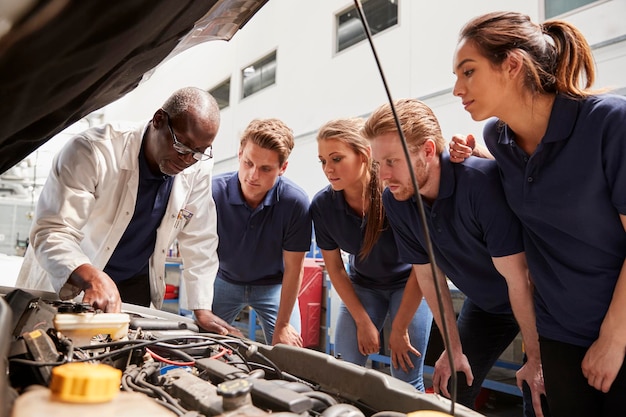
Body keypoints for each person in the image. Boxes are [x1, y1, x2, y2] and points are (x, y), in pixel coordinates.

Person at [449, 11, 626, 417]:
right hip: (558, 332)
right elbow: (532, 184)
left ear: (512, 65)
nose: (457, 87)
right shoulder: (498, 139)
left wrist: (614, 340)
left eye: (469, 71)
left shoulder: (609, 122)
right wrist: (473, 156)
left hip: (619, 329)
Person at [362, 98, 546, 416]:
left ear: (429, 151)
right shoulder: (396, 200)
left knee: (540, 391)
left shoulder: (479, 181)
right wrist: (454, 346)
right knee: (453, 382)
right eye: (379, 164)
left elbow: (520, 278)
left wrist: (536, 358)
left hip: (539, 296)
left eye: (392, 161)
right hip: (487, 303)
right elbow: (429, 276)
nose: (384, 175)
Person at [15, 87, 241, 336]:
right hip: (75, 275)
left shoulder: (196, 168)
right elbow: (53, 230)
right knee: (54, 352)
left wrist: (202, 309)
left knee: (126, 360)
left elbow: (201, 240)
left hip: (135, 283)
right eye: (182, 145)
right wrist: (90, 276)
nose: (187, 160)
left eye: (199, 152)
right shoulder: (92, 150)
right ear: (159, 120)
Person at [310, 118, 433, 390]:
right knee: (344, 372)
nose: (328, 169)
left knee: (406, 378)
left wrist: (399, 329)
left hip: (409, 284)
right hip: (364, 286)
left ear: (364, 155)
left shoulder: (397, 193)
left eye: (337, 158)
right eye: (322, 161)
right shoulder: (323, 205)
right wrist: (362, 320)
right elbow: (336, 269)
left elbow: (422, 267)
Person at [211, 118, 312, 347]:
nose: (253, 175)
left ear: (282, 169)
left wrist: (284, 325)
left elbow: (294, 269)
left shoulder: (295, 202)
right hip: (224, 280)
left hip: (273, 286)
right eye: (248, 163)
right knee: (200, 341)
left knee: (290, 353)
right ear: (239, 155)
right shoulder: (214, 192)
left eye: (266, 168)